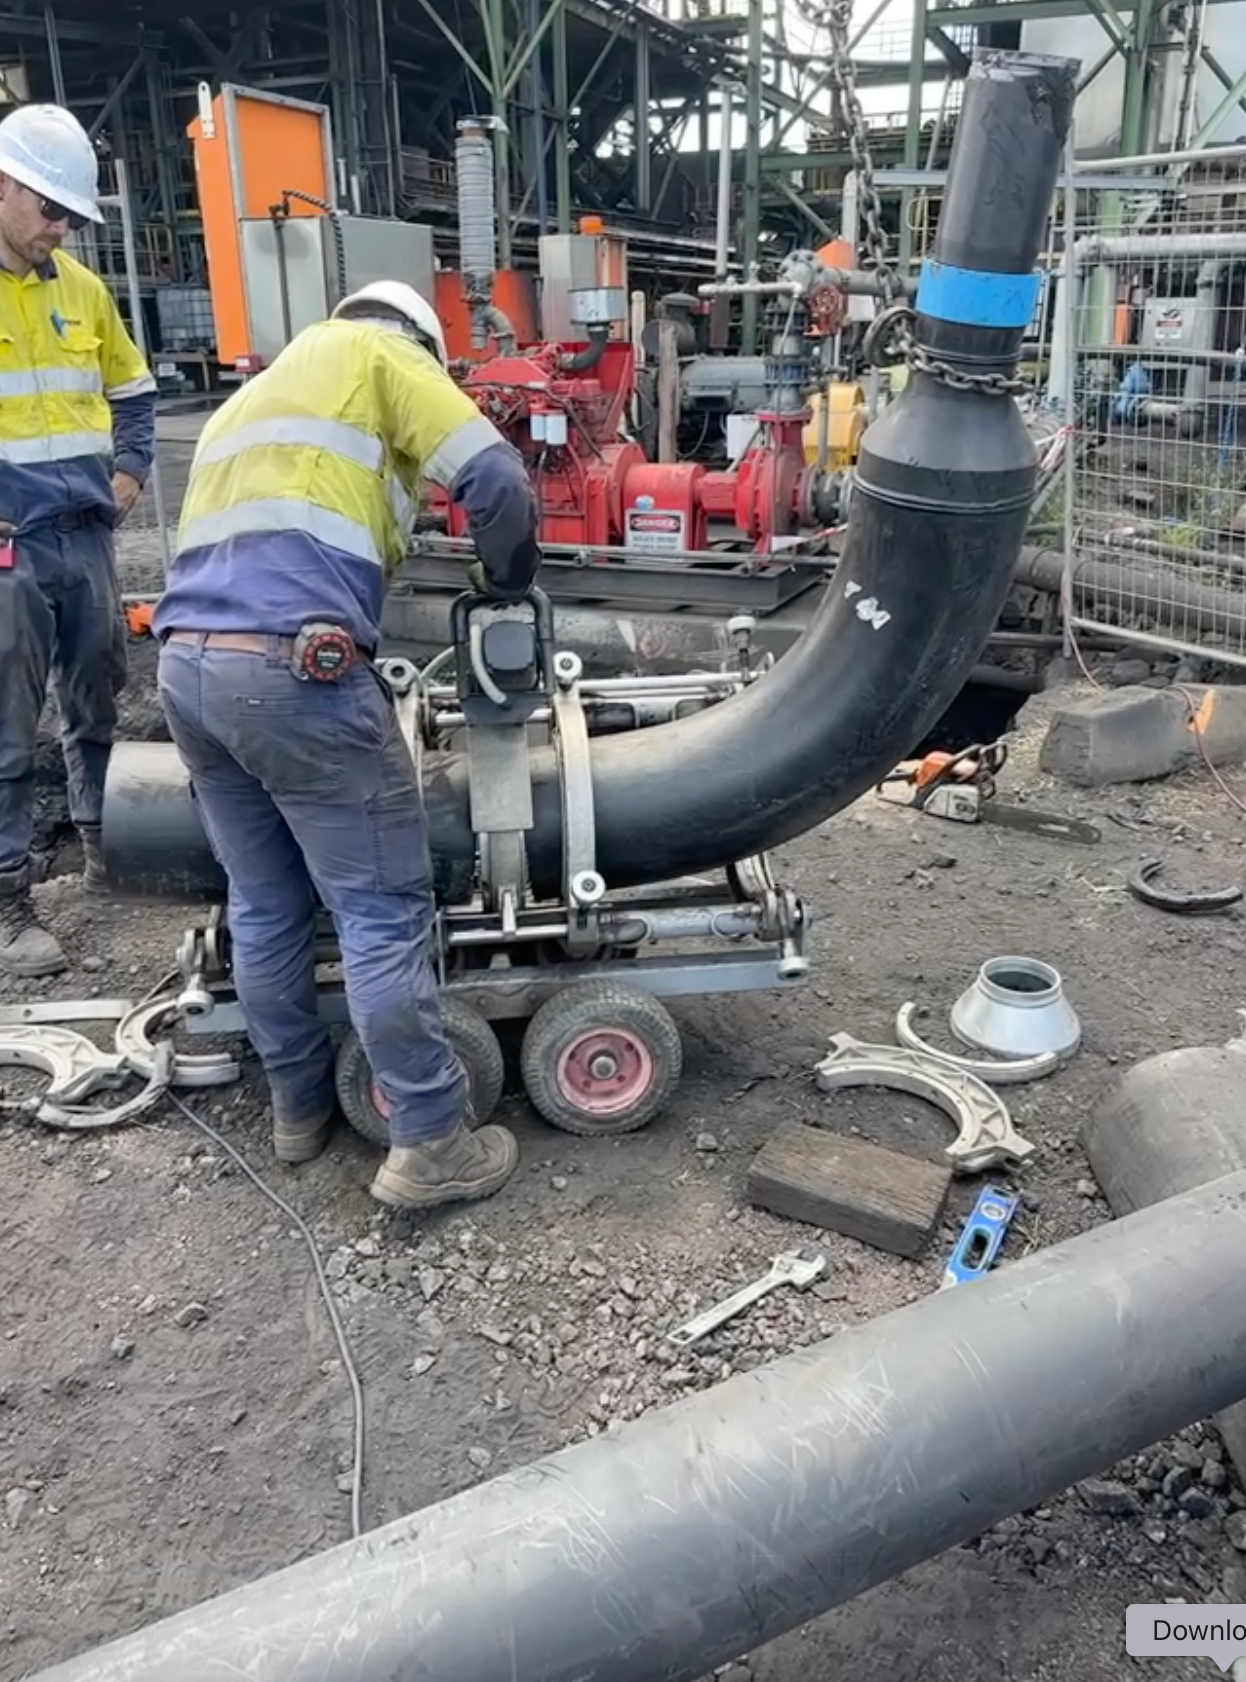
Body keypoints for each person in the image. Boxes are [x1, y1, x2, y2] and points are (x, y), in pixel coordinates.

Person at [152, 280, 542, 1212]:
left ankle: (296, 1109)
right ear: (415, 340)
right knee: (377, 908)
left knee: (266, 897)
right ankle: (431, 1140)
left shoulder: (241, 403)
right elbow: (497, 484)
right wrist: (504, 578)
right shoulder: (384, 359)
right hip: (297, 674)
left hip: (188, 672)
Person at [0, 103, 156, 976]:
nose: (61, 228)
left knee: (98, 697)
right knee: (7, 728)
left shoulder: (82, 291)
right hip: (9, 546)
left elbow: (132, 391)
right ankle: (10, 903)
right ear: (3, 186)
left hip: (85, 537)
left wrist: (129, 472)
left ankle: (103, 850)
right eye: (51, 210)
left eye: (70, 215)